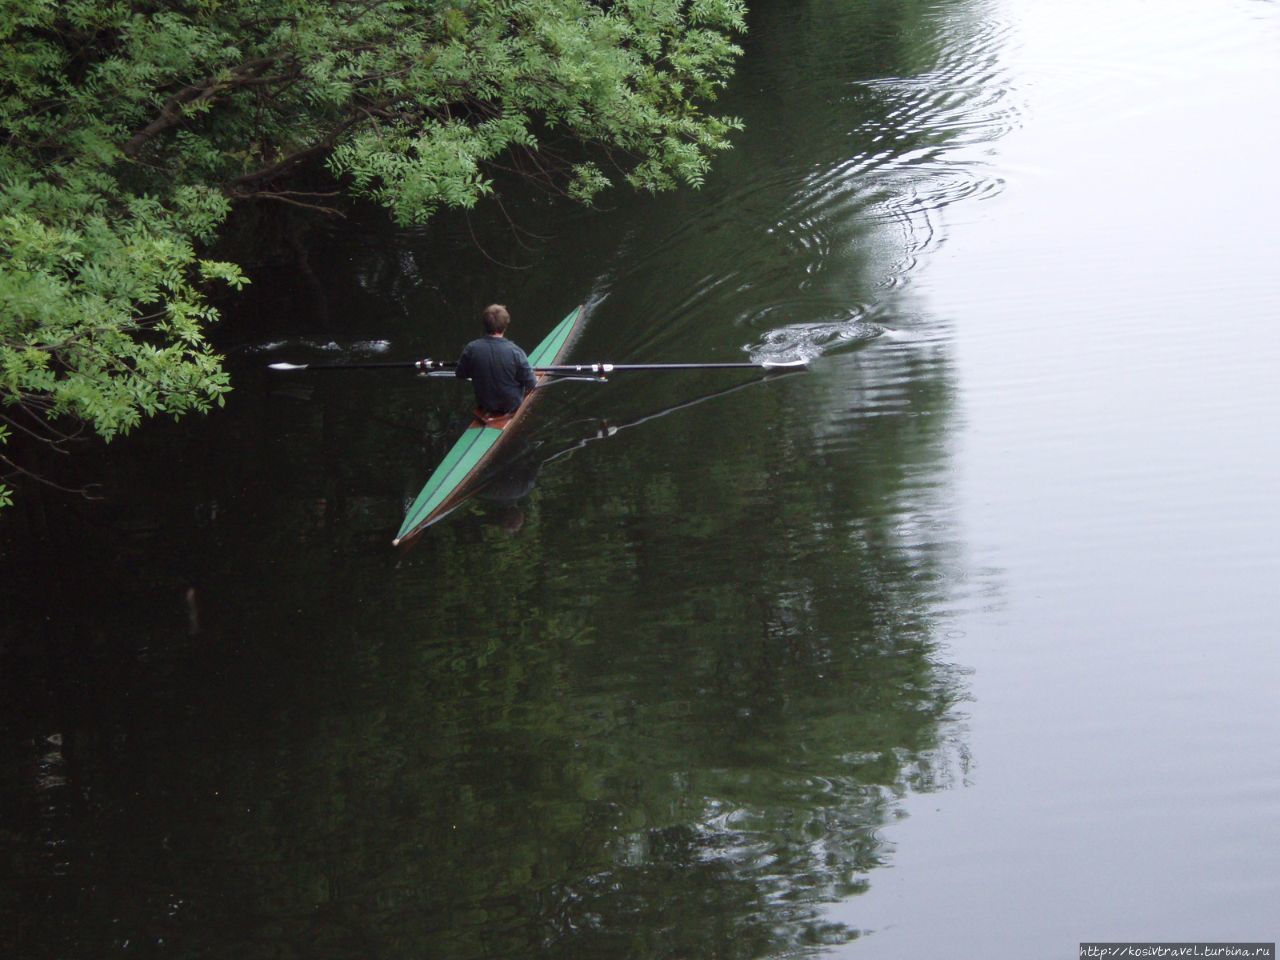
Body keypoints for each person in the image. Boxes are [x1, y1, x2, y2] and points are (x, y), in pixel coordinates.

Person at [455, 304, 537, 415]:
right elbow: (532, 383)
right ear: (505, 326)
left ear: (485, 325)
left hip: (485, 405)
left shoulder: (471, 348)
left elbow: (460, 374)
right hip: (511, 405)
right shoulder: (516, 352)